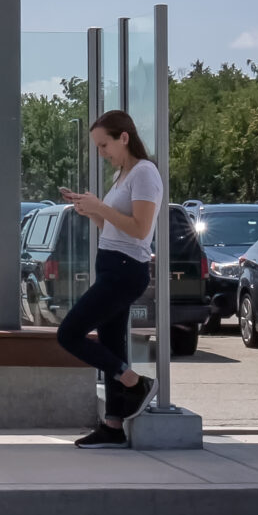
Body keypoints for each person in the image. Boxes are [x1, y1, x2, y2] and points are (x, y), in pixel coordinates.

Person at [57, 108, 163, 447]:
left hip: (124, 269)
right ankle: (113, 427)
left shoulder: (144, 173)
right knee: (112, 345)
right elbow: (117, 228)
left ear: (124, 138)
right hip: (112, 264)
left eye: (105, 146)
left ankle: (136, 383)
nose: (102, 154)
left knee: (69, 333)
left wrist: (100, 207)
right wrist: (91, 211)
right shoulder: (123, 175)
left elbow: (141, 229)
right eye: (98, 147)